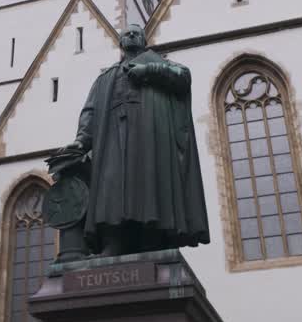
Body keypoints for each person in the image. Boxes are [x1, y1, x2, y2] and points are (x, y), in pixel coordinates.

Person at [61, 24, 210, 256]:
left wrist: (149, 70)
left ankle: (151, 239)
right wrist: (81, 140)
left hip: (148, 136)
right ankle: (113, 241)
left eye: (136, 32)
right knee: (111, 188)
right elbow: (90, 111)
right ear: (120, 42)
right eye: (126, 33)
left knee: (148, 185)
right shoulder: (105, 77)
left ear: (144, 41)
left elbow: (184, 77)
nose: (131, 35)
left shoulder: (161, 63)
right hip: (112, 138)